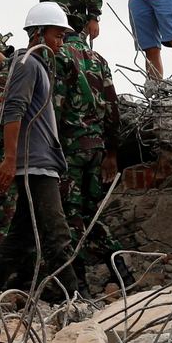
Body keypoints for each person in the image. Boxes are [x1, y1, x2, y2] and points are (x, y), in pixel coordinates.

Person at [0, 2, 75, 299]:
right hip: (34, 164)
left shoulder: (37, 65)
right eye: (57, 35)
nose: (60, 42)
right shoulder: (27, 64)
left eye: (63, 36)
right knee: (56, 233)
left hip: (41, 161)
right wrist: (10, 160)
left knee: (21, 236)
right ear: (37, 33)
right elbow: (13, 110)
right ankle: (71, 295)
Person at [52, 35, 121, 275]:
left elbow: (55, 108)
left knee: (70, 214)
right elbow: (113, 108)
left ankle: (78, 283)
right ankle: (121, 270)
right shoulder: (98, 59)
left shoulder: (59, 56)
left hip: (69, 150)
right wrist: (111, 153)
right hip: (96, 147)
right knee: (92, 213)